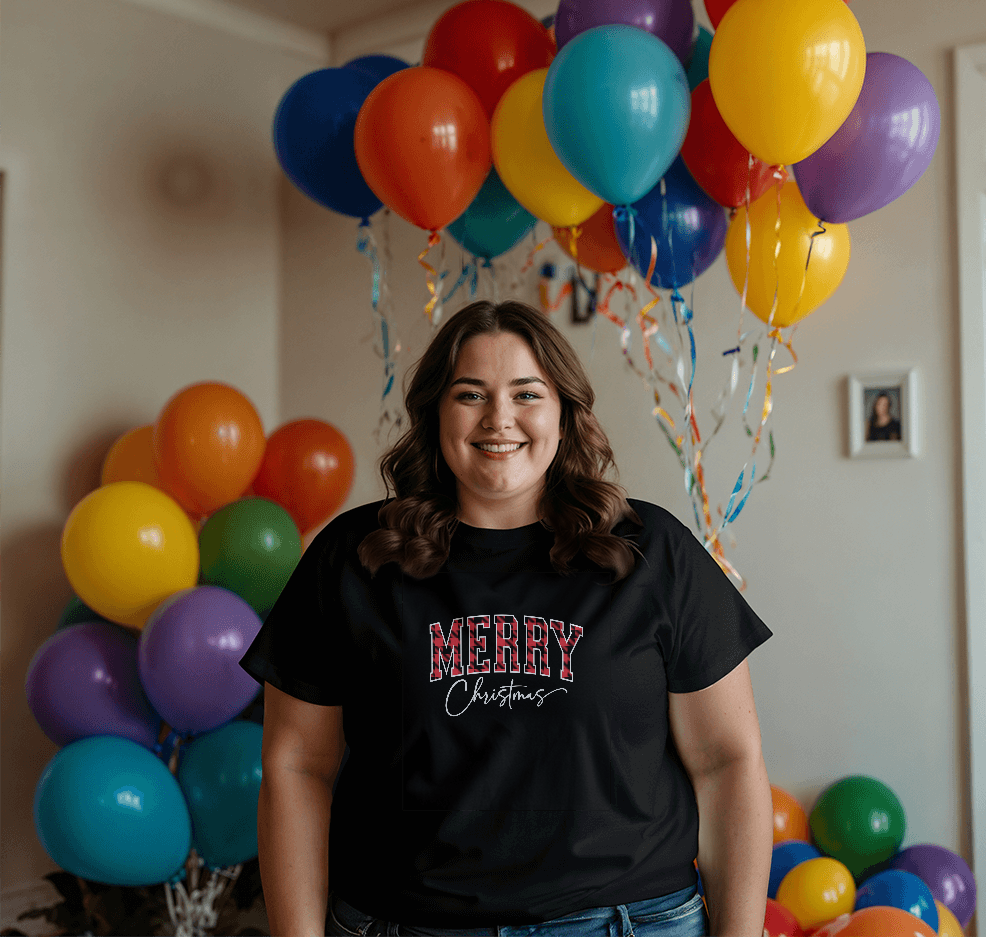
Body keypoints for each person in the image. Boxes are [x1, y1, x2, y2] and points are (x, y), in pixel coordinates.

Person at [239, 299, 773, 937]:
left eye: (527, 394)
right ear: (436, 412)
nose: (499, 418)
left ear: (563, 413)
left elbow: (727, 762)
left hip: (627, 922)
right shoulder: (354, 558)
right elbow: (297, 767)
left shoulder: (652, 553)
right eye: (471, 394)